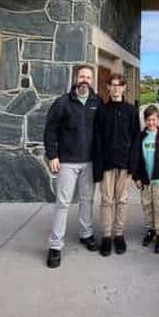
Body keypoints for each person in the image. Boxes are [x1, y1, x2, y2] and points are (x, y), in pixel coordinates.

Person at [44, 64, 101, 269]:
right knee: (63, 203)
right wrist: (52, 155)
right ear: (76, 78)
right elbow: (50, 130)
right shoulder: (62, 103)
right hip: (67, 161)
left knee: (87, 200)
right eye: (82, 76)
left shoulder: (97, 102)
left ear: (92, 81)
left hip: (89, 161)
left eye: (88, 77)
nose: (85, 80)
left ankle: (86, 234)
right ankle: (55, 245)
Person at [94, 73, 140, 256]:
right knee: (106, 201)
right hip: (106, 163)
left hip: (124, 164)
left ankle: (119, 234)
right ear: (108, 87)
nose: (115, 89)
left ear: (123, 88)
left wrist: (133, 165)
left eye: (118, 85)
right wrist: (98, 164)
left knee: (121, 201)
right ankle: (106, 236)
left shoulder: (131, 111)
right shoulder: (102, 111)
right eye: (112, 85)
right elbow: (97, 139)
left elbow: (136, 139)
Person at [132, 105, 159, 254]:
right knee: (147, 205)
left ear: (158, 119)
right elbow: (136, 158)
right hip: (145, 179)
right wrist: (136, 177)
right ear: (145, 121)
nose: (151, 122)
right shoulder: (141, 137)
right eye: (148, 120)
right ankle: (151, 230)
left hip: (158, 180)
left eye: (154, 119)